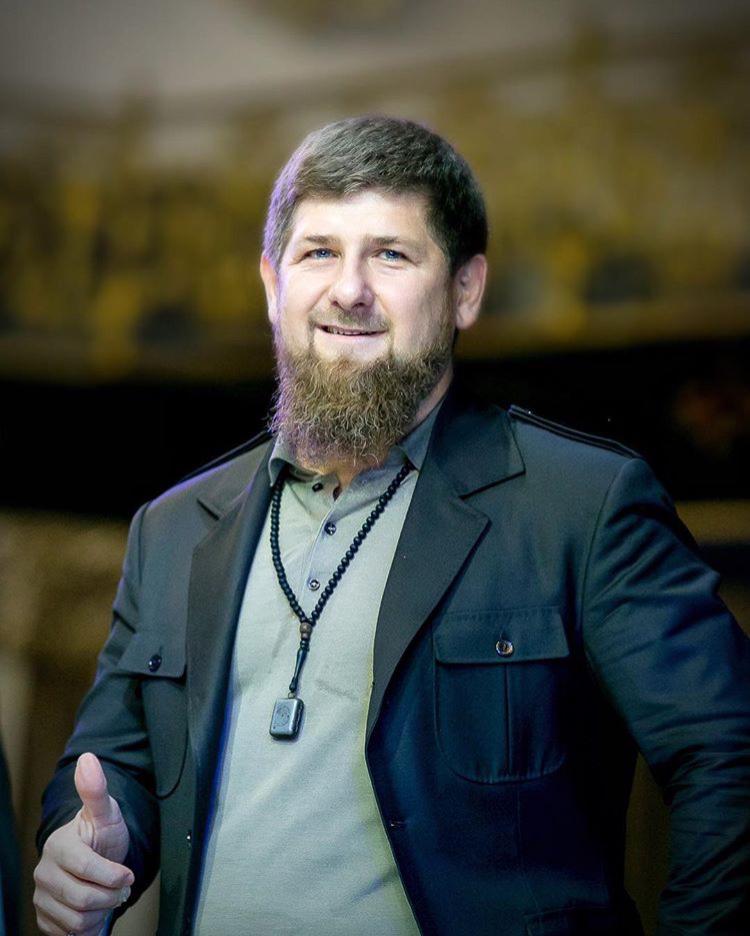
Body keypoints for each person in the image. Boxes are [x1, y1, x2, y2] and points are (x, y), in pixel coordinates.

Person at [34, 116, 750, 936]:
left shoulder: (582, 507)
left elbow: (730, 754)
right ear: (271, 284)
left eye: (391, 254)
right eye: (318, 252)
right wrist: (83, 845)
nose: (349, 289)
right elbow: (109, 767)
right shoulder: (170, 529)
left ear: (466, 290)